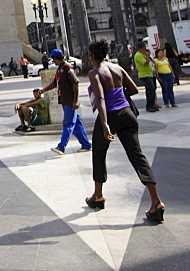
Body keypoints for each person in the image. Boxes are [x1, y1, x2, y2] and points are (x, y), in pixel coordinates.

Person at [85, 40, 165, 222]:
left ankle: (98, 196)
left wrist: (105, 124)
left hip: (111, 116)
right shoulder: (117, 68)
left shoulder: (95, 73)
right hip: (128, 114)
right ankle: (156, 201)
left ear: (91, 55)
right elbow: (134, 89)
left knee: (98, 152)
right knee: (138, 156)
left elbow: (100, 99)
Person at [40, 49, 91, 156]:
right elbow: (55, 83)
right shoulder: (59, 69)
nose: (53, 61)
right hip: (64, 100)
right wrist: (43, 90)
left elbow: (75, 83)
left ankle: (61, 146)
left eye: (53, 58)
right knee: (77, 123)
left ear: (56, 58)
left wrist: (76, 100)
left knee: (68, 123)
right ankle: (86, 144)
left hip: (70, 101)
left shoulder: (67, 68)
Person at [133, 42, 159, 112]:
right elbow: (145, 63)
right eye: (144, 48)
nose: (145, 50)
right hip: (144, 74)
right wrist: (147, 56)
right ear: (141, 49)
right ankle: (149, 106)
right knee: (151, 88)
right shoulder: (138, 55)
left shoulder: (142, 54)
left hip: (149, 74)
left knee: (151, 89)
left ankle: (151, 105)